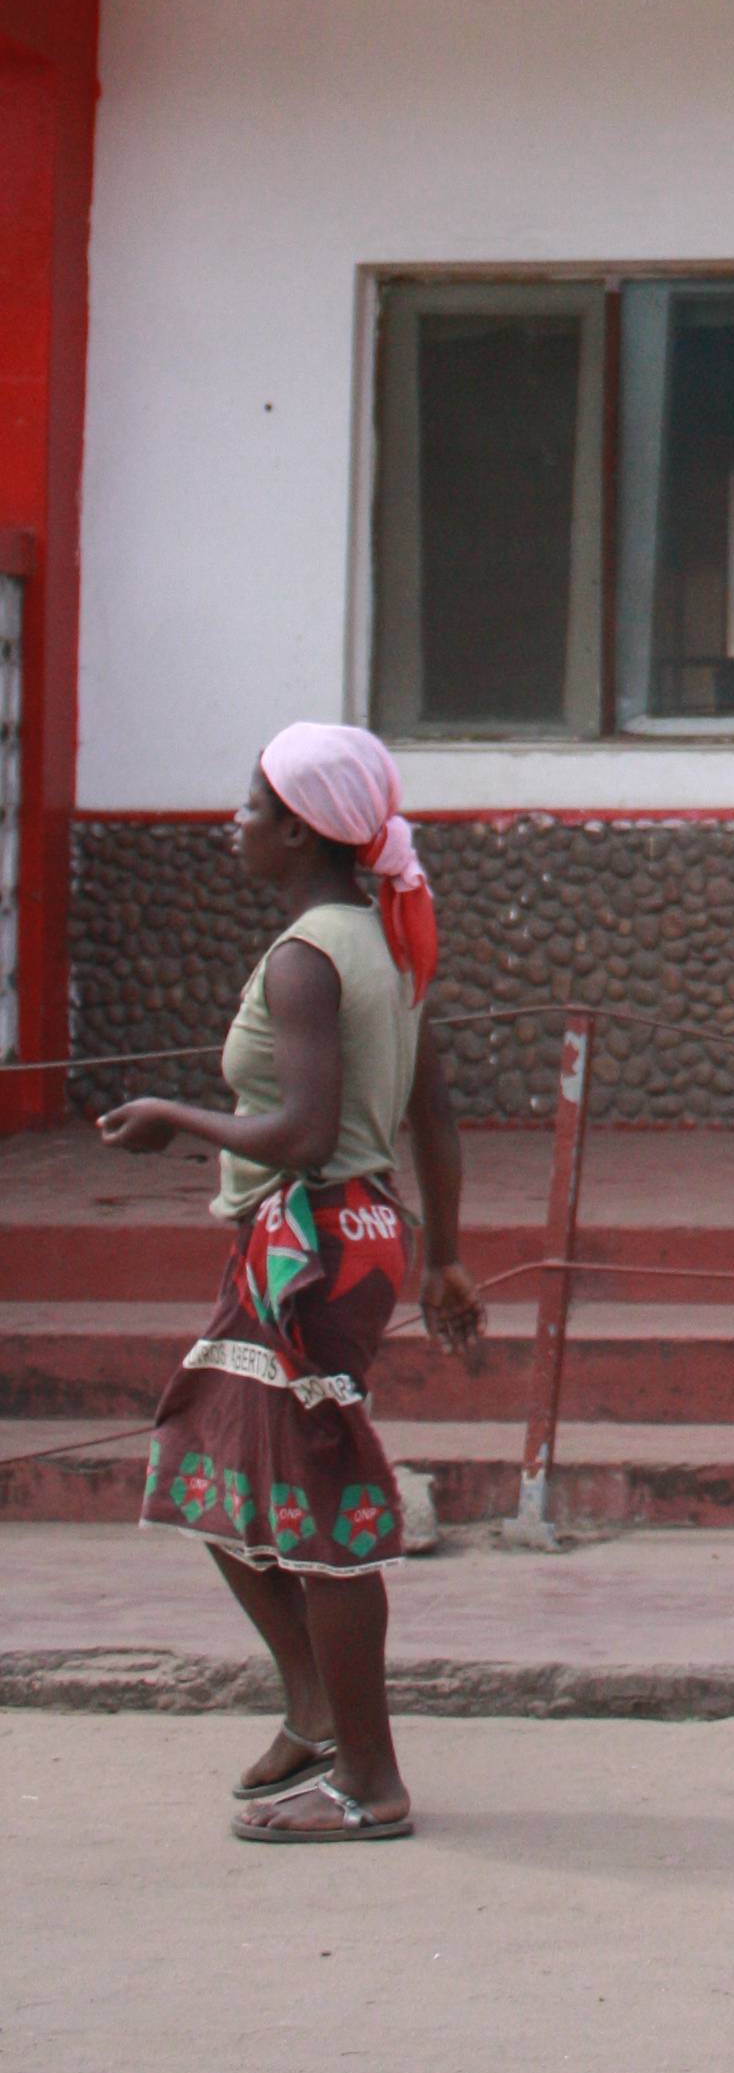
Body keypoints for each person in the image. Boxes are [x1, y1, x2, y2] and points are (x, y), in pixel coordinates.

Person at [96, 723, 483, 1842]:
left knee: (315, 1510)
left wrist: (173, 1117)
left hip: (311, 1248)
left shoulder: (307, 957)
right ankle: (316, 1713)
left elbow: (305, 1134)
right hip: (346, 1237)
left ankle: (369, 1784)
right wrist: (444, 1255)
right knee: (205, 1462)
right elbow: (433, 1114)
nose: (238, 824)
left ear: (302, 831)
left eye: (253, 808)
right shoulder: (390, 938)